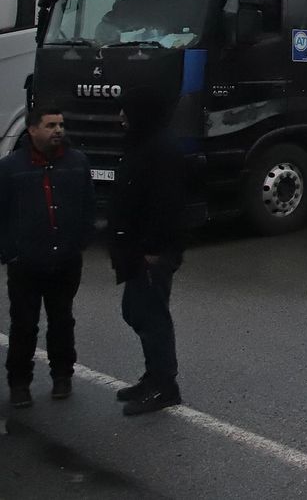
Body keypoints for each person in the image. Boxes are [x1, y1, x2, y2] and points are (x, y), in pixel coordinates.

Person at [0, 106, 94, 408]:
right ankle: (19, 383)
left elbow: (88, 207)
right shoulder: (11, 168)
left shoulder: (77, 163)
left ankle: (62, 376)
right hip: (25, 263)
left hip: (64, 261)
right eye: (50, 125)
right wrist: (10, 253)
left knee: (62, 320)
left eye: (61, 125)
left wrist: (78, 242)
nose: (58, 131)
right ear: (32, 130)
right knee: (24, 325)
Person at [108, 87, 187, 416]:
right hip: (136, 248)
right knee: (137, 311)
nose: (120, 116)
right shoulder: (141, 144)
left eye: (125, 110)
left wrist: (153, 249)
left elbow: (167, 206)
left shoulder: (163, 150)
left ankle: (165, 385)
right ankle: (153, 376)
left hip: (151, 251)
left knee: (150, 316)